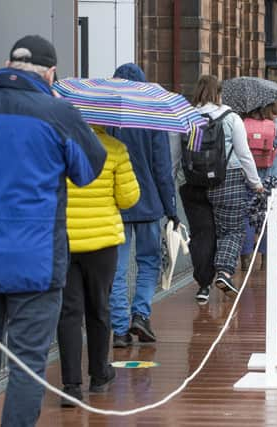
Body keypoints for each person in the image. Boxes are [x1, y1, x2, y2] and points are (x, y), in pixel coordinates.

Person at [0, 35, 106, 426]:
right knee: (27, 360)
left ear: (8, 64)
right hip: (37, 260)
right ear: (50, 73)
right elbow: (88, 170)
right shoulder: (59, 113)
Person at [57, 125, 139, 406]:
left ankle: (70, 385)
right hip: (102, 242)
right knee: (99, 307)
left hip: (65, 239)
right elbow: (129, 199)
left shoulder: (60, 147)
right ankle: (99, 374)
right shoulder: (115, 149)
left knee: (69, 312)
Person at [107, 63, 180, 348]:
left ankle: (120, 328)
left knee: (118, 268)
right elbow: (162, 168)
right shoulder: (152, 115)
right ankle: (141, 314)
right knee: (149, 262)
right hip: (149, 203)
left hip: (116, 204)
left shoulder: (106, 117)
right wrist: (171, 208)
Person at [178, 75, 263, 303]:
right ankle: (224, 272)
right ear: (218, 93)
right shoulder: (231, 118)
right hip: (228, 181)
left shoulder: (186, 117)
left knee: (202, 234)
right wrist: (255, 183)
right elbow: (244, 154)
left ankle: (203, 286)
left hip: (194, 184)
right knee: (232, 230)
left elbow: (178, 156)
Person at [240, 103, 277, 270]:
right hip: (275, 177)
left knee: (247, 217)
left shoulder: (243, 123)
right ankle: (266, 260)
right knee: (271, 218)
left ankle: (246, 257)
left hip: (249, 177)